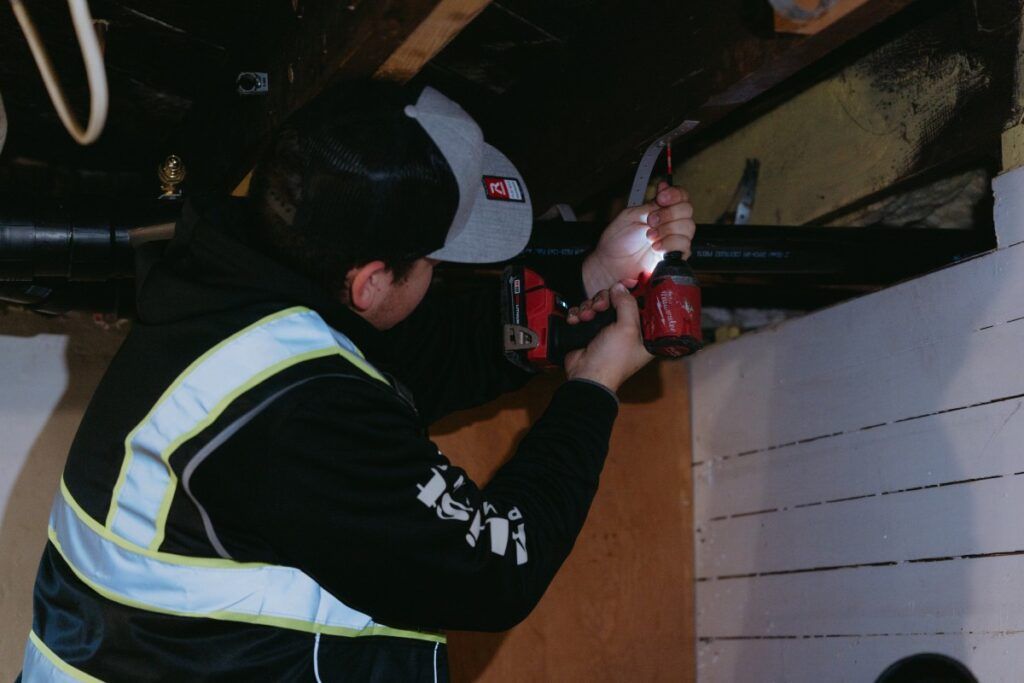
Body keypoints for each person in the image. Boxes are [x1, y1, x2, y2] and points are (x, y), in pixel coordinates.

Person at [20, 81, 695, 681]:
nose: (438, 277)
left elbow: (410, 360)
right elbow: (496, 568)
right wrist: (592, 391)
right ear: (369, 281)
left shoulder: (230, 285)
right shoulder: (297, 416)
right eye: (434, 261)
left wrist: (591, 276)